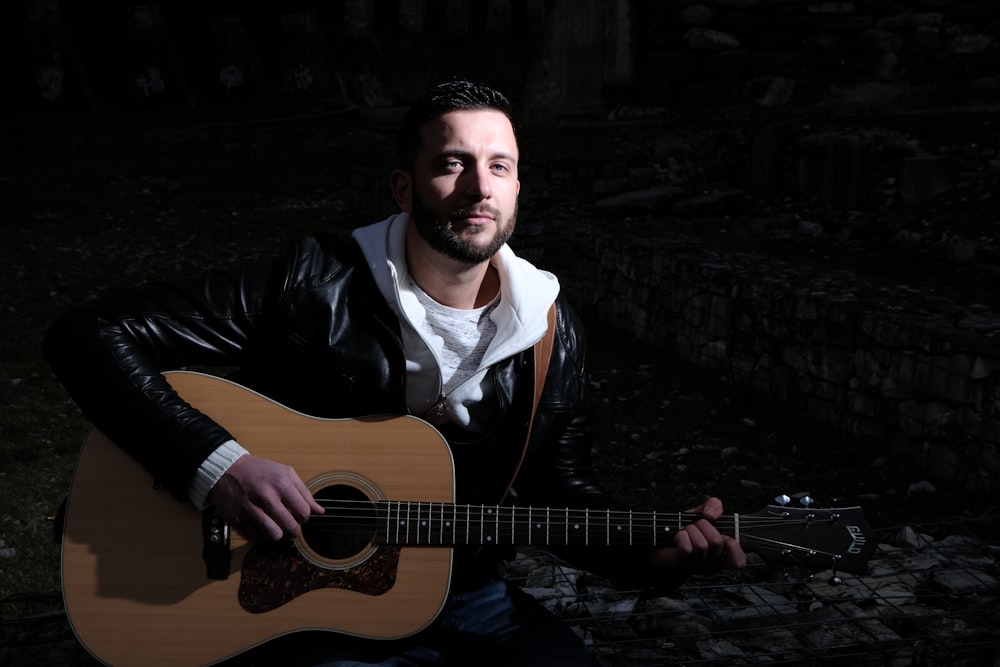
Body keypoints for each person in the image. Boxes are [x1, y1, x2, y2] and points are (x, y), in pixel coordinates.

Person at [44, 80, 745, 666]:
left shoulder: (549, 331)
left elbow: (560, 493)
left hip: (466, 594)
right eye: (453, 164)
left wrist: (659, 554)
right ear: (405, 188)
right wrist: (219, 466)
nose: (479, 186)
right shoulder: (314, 282)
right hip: (288, 597)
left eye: (500, 166)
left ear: (518, 186)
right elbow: (90, 334)